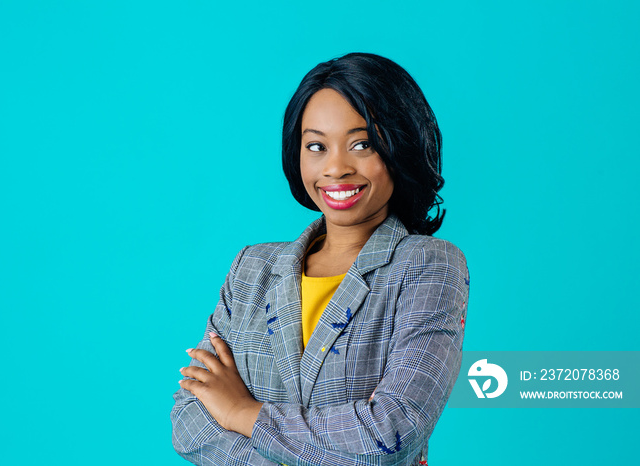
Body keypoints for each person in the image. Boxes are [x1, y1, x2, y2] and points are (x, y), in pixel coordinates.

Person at [171, 52, 469, 466]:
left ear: (399, 146)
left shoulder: (428, 266)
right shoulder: (252, 269)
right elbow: (190, 419)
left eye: (362, 144)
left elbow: (392, 432)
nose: (336, 168)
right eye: (316, 146)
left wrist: (243, 412)